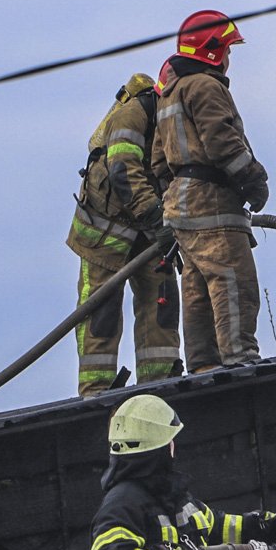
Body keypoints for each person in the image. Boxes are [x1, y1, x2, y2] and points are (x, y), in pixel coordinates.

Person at [89, 394, 276, 550]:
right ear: (159, 449)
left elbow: (218, 526)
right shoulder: (122, 504)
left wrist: (275, 524)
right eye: (170, 440)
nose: (174, 446)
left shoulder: (172, 497)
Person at [151, 11, 268, 374]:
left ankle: (203, 367)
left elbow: (158, 160)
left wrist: (173, 195)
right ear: (213, 50)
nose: (229, 58)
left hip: (181, 206)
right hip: (212, 202)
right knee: (234, 283)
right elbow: (222, 141)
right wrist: (253, 179)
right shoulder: (205, 86)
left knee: (198, 289)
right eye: (227, 50)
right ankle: (239, 361)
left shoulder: (169, 94)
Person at [67, 72, 181, 396]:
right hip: (104, 234)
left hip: (151, 233)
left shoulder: (177, 118)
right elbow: (123, 170)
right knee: (100, 315)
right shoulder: (133, 115)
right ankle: (96, 393)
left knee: (162, 308)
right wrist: (157, 219)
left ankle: (160, 390)